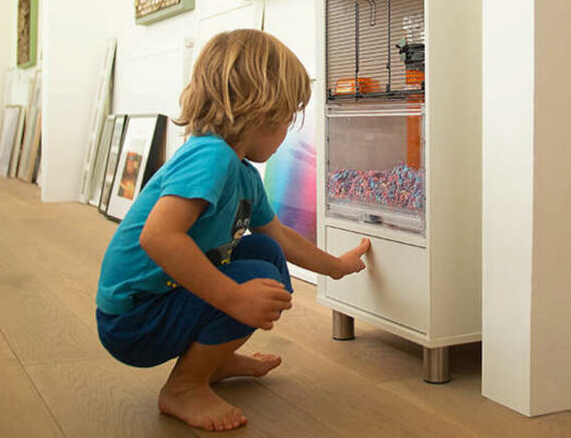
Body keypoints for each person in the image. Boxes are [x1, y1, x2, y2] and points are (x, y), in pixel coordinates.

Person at [95, 29, 370, 432]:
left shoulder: (242, 173)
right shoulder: (211, 157)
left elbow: (279, 237)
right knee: (257, 278)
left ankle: (214, 362)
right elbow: (158, 236)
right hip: (134, 318)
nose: (288, 131)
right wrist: (233, 296)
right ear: (261, 113)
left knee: (265, 254)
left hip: (165, 298)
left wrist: (335, 266)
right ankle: (185, 387)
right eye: (287, 118)